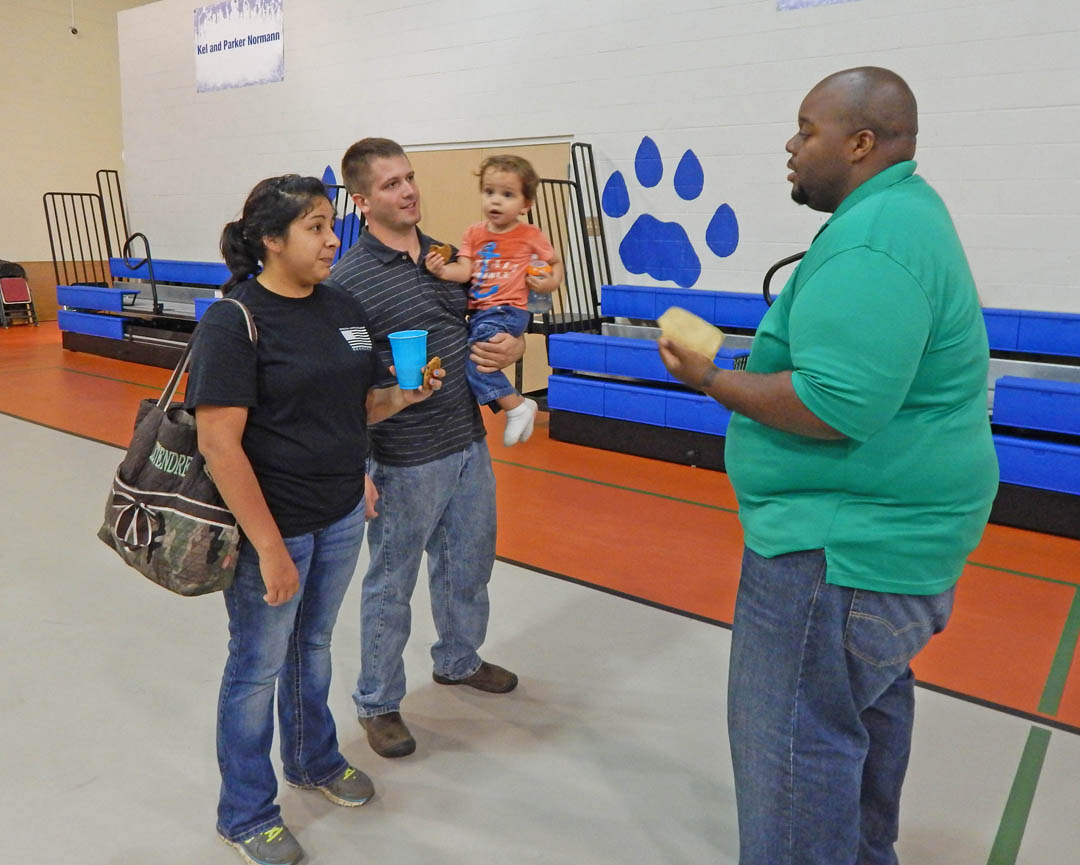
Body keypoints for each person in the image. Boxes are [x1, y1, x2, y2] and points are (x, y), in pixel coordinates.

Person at [657, 68, 998, 864]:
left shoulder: (876, 240)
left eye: (806, 129)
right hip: (881, 544)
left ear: (860, 142)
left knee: (793, 753)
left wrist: (712, 377)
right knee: (860, 724)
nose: (791, 143)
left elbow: (832, 405)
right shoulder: (898, 214)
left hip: (837, 555)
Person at [185, 174, 443, 865]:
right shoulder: (234, 320)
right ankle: (245, 810)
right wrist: (268, 546)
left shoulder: (342, 307)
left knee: (316, 647)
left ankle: (313, 760)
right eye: (316, 227)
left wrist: (403, 398)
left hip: (339, 517)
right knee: (257, 667)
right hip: (275, 526)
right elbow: (218, 442)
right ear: (272, 240)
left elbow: (350, 410)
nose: (333, 239)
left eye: (333, 225)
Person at [324, 138, 524, 760]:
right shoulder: (348, 281)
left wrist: (511, 350)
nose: (408, 191)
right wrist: (359, 464)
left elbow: (493, 315)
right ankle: (378, 702)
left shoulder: (449, 255)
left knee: (469, 563)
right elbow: (343, 381)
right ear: (361, 200)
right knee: (391, 582)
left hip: (467, 439)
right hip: (404, 456)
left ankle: (459, 660)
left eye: (409, 178)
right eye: (390, 184)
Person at [425, 154, 564, 446]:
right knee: (471, 362)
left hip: (508, 310)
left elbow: (555, 262)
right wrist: (442, 270)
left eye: (507, 195)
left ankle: (516, 406)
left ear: (525, 205)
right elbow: (465, 270)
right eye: (489, 192)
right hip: (480, 312)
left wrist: (549, 281)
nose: (496, 201)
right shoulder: (474, 233)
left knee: (478, 359)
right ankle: (517, 406)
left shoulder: (529, 234)